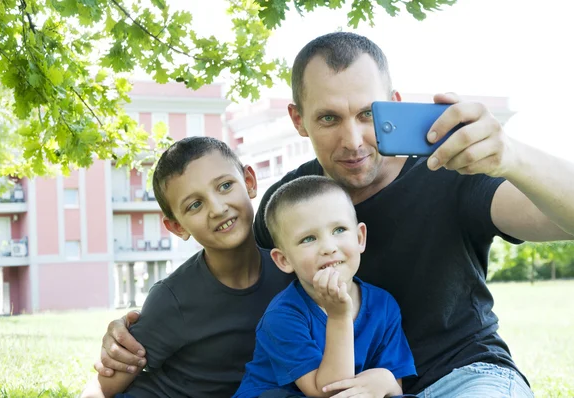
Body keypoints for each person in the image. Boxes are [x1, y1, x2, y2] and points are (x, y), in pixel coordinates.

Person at [95, 32, 574, 397]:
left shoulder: (451, 173)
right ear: (298, 120)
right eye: (329, 118)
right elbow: (234, 273)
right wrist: (137, 328)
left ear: (393, 105)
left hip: (462, 376)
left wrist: (511, 156)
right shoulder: (290, 200)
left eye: (367, 113)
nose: (353, 140)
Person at [80, 136, 294, 397]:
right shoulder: (173, 298)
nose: (217, 208)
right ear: (177, 227)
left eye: (225, 186)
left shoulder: (290, 271)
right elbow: (102, 388)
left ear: (249, 182)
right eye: (195, 205)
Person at [233, 176, 416, 398]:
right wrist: (339, 316)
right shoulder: (282, 316)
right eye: (308, 239)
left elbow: (395, 389)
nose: (328, 247)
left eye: (339, 230)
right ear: (284, 260)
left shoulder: (383, 306)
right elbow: (330, 392)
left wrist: (385, 381)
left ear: (360, 237)